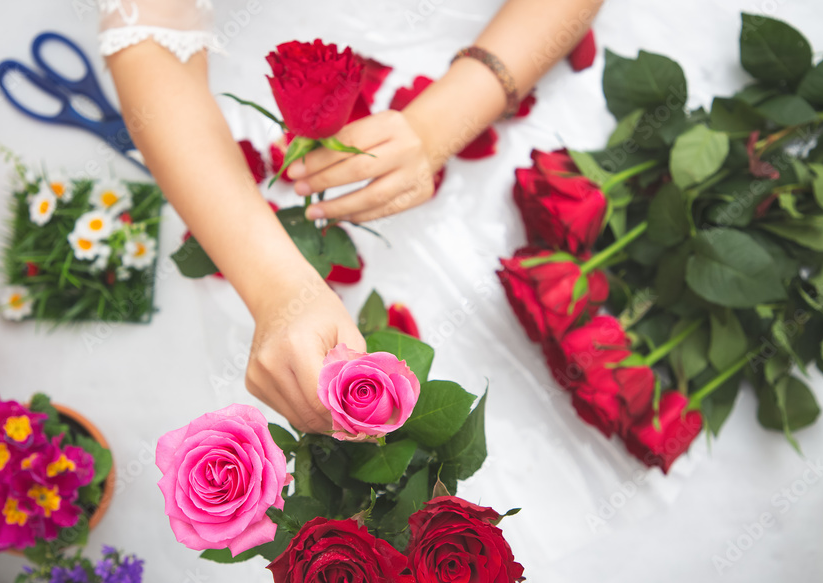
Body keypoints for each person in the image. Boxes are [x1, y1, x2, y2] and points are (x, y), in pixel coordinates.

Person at [99, 0, 603, 433]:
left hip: (505, 59)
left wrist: (440, 123)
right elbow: (150, 42)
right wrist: (277, 287)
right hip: (233, 168)